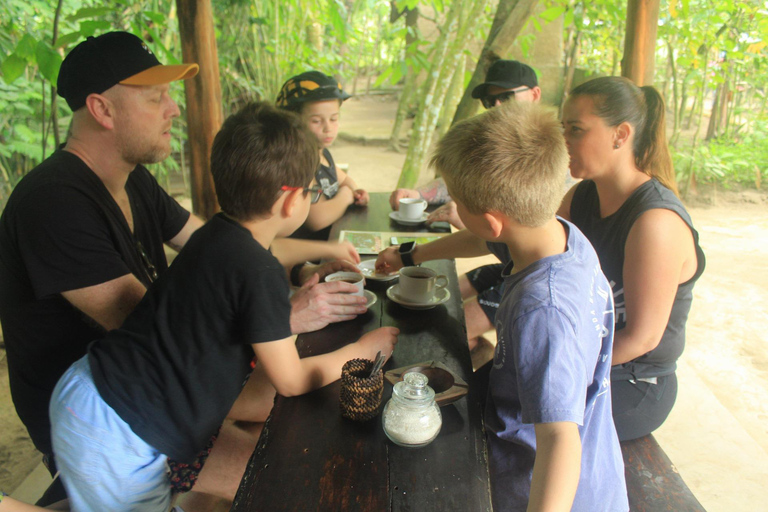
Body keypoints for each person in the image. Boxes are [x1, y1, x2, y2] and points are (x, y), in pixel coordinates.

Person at [0, 31, 366, 477]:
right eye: (156, 98)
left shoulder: (132, 179)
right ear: (101, 109)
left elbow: (225, 245)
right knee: (282, 467)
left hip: (170, 385)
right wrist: (278, 315)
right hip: (115, 417)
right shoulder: (53, 203)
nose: (174, 108)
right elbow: (152, 323)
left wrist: (302, 272)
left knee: (292, 425)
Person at [48, 101, 399, 512]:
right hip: (118, 428)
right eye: (311, 190)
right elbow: (289, 380)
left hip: (95, 392)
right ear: (290, 202)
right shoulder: (259, 271)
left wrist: (308, 270)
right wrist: (360, 351)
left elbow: (241, 290)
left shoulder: (216, 233)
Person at [424, 101, 627, 510]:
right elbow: (485, 238)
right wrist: (413, 255)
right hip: (593, 473)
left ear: (491, 219)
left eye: (459, 204)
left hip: (544, 491)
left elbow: (559, 439)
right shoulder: (561, 235)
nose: (455, 211)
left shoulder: (542, 308)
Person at [559, 76, 706, 441]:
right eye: (564, 129)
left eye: (576, 130)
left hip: (635, 382)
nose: (564, 141)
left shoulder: (654, 222)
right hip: (589, 357)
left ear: (620, 135)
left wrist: (559, 368)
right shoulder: (582, 197)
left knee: (523, 428)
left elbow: (641, 338)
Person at [383, 60, 542, 360]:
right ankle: (481, 352)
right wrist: (419, 197)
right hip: (507, 263)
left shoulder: (540, 156)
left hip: (529, 276)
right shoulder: (499, 143)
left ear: (534, 94)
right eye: (489, 99)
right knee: (440, 300)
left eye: (506, 96)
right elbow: (483, 226)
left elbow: (487, 236)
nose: (496, 105)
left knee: (442, 328)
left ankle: (482, 363)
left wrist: (465, 221)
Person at [276, 70, 369, 241]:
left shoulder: (322, 153)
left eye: (333, 119)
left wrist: (355, 190)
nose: (328, 128)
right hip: (307, 256)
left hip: (331, 241)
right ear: (293, 121)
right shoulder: (298, 162)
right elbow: (317, 219)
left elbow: (345, 180)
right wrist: (347, 195)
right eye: (316, 121)